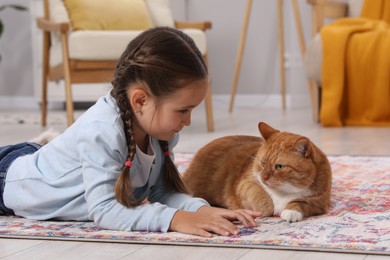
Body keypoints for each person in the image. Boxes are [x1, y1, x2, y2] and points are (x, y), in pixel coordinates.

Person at [0, 27, 261, 238]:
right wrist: (175, 219)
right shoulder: (102, 131)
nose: (188, 121)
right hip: (12, 181)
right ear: (140, 101)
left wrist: (200, 209)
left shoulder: (160, 131)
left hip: (41, 162)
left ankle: (49, 149)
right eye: (183, 110)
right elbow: (104, 210)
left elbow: (157, 193)